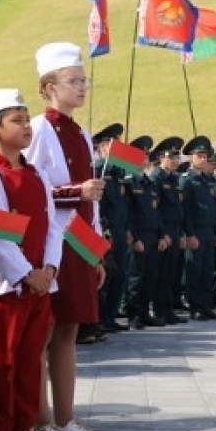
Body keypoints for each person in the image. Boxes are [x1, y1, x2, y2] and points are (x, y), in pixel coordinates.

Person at [25, 42, 113, 431]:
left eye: (84, 80)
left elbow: (90, 198)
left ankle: (65, 417)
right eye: (73, 81)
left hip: (78, 240)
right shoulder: (40, 130)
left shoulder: (79, 131)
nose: (82, 87)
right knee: (43, 333)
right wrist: (75, 191)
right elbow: (33, 189)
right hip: (52, 243)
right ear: (49, 86)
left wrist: (96, 251)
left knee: (69, 331)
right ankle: (39, 422)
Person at [0, 89, 63, 431]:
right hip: (5, 288)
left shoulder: (38, 174)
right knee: (1, 367)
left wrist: (50, 269)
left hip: (40, 286)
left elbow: (52, 226)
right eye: (17, 121)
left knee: (30, 366)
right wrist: (27, 273)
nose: (27, 127)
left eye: (28, 120)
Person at [91, 123, 130, 333]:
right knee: (104, 276)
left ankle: (109, 316)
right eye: (111, 144)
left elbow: (124, 206)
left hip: (120, 231)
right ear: (102, 147)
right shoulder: (98, 170)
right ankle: (97, 318)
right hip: (105, 233)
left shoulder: (117, 174)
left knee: (120, 275)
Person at [179, 136, 216, 321]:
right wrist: (189, 234)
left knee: (207, 270)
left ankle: (206, 305)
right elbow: (185, 210)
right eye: (199, 156)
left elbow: (214, 209)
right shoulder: (186, 180)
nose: (203, 160)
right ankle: (195, 306)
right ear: (190, 157)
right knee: (194, 271)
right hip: (195, 231)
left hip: (209, 230)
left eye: (205, 156)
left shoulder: (208, 180)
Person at [124, 136, 161, 329]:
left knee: (150, 276)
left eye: (146, 155)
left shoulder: (150, 183)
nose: (144, 159)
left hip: (153, 235)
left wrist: (161, 235)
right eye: (139, 155)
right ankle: (134, 315)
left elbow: (156, 211)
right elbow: (127, 213)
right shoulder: (129, 182)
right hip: (138, 235)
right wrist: (134, 237)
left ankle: (145, 312)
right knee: (136, 277)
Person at [152, 137, 186, 326]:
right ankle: (160, 310)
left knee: (172, 272)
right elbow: (156, 209)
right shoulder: (158, 178)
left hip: (175, 229)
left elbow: (177, 209)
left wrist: (180, 233)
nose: (175, 161)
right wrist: (163, 233)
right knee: (162, 273)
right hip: (164, 230)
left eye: (177, 157)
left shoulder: (174, 178)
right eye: (170, 157)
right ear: (160, 157)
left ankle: (168, 309)